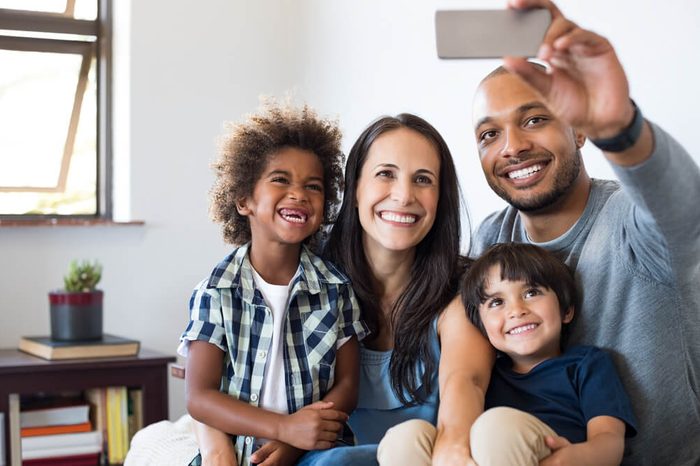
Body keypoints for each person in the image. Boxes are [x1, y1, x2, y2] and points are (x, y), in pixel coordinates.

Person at [471, 0, 700, 464]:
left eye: (535, 119)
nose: (512, 147)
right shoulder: (490, 241)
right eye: (489, 134)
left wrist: (618, 128)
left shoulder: (628, 220)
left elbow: (684, 212)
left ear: (577, 131)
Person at [178, 101, 369, 466]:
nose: (299, 193)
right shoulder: (215, 292)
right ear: (244, 199)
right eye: (281, 180)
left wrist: (297, 440)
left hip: (313, 449)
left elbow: (347, 387)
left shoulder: (336, 289)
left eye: (313, 186)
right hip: (236, 453)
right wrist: (284, 428)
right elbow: (199, 397)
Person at [302, 113, 493, 466]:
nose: (404, 196)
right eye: (385, 174)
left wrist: (454, 448)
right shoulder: (306, 275)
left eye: (423, 179)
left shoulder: (461, 292)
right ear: (354, 188)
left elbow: (466, 382)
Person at [462, 243, 637, 465]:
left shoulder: (587, 364)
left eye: (531, 292)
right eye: (497, 302)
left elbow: (609, 440)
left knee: (493, 427)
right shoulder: (485, 378)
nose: (516, 310)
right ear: (481, 327)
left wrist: (576, 458)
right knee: (414, 434)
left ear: (566, 310)